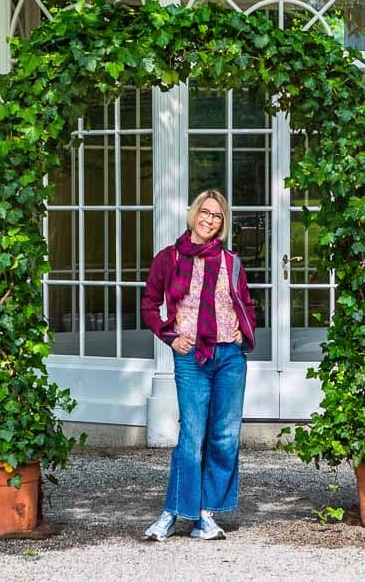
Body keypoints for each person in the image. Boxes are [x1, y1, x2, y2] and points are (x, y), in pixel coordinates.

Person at [140, 189, 258, 541]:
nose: (210, 220)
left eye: (217, 216)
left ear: (223, 223)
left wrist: (242, 333)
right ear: (194, 215)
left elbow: (247, 305)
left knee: (224, 437)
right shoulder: (170, 258)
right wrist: (170, 337)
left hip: (229, 358)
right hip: (191, 358)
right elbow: (149, 304)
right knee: (192, 436)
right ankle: (173, 511)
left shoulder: (231, 262)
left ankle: (205, 514)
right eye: (205, 213)